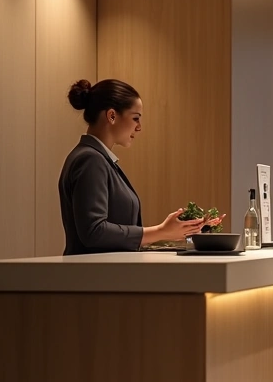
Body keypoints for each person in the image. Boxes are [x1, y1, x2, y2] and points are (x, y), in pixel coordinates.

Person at [59, 79, 216, 255]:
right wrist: (160, 231)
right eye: (135, 118)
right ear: (111, 116)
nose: (139, 127)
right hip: (94, 277)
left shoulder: (98, 159)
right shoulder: (90, 159)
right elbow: (94, 232)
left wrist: (171, 231)